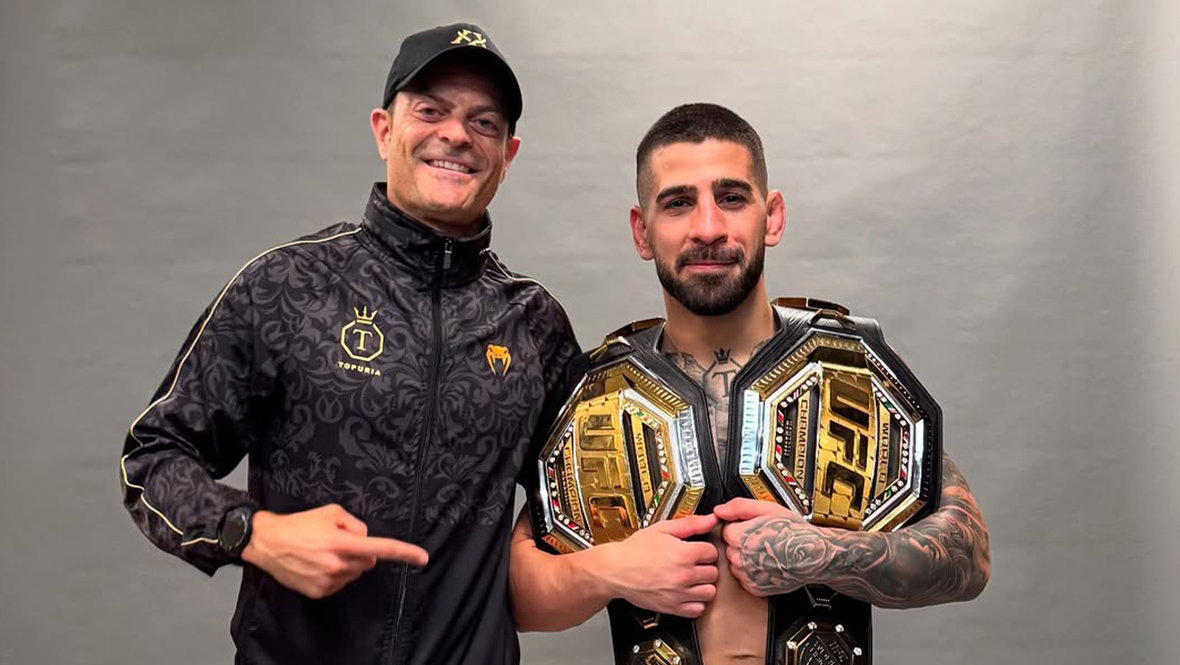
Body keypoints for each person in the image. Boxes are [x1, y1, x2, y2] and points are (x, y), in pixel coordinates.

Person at [119, 22, 579, 665]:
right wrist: (256, 533)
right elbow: (153, 459)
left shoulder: (534, 324)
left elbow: (580, 499)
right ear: (384, 130)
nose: (456, 134)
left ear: (508, 154)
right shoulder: (286, 286)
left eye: (484, 122)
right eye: (431, 111)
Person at [508, 103, 990, 663]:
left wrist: (825, 553)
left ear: (773, 217)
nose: (708, 228)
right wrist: (611, 569)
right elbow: (520, 599)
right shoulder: (600, 398)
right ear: (642, 232)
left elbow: (968, 557)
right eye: (678, 203)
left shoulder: (848, 370)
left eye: (732, 198)